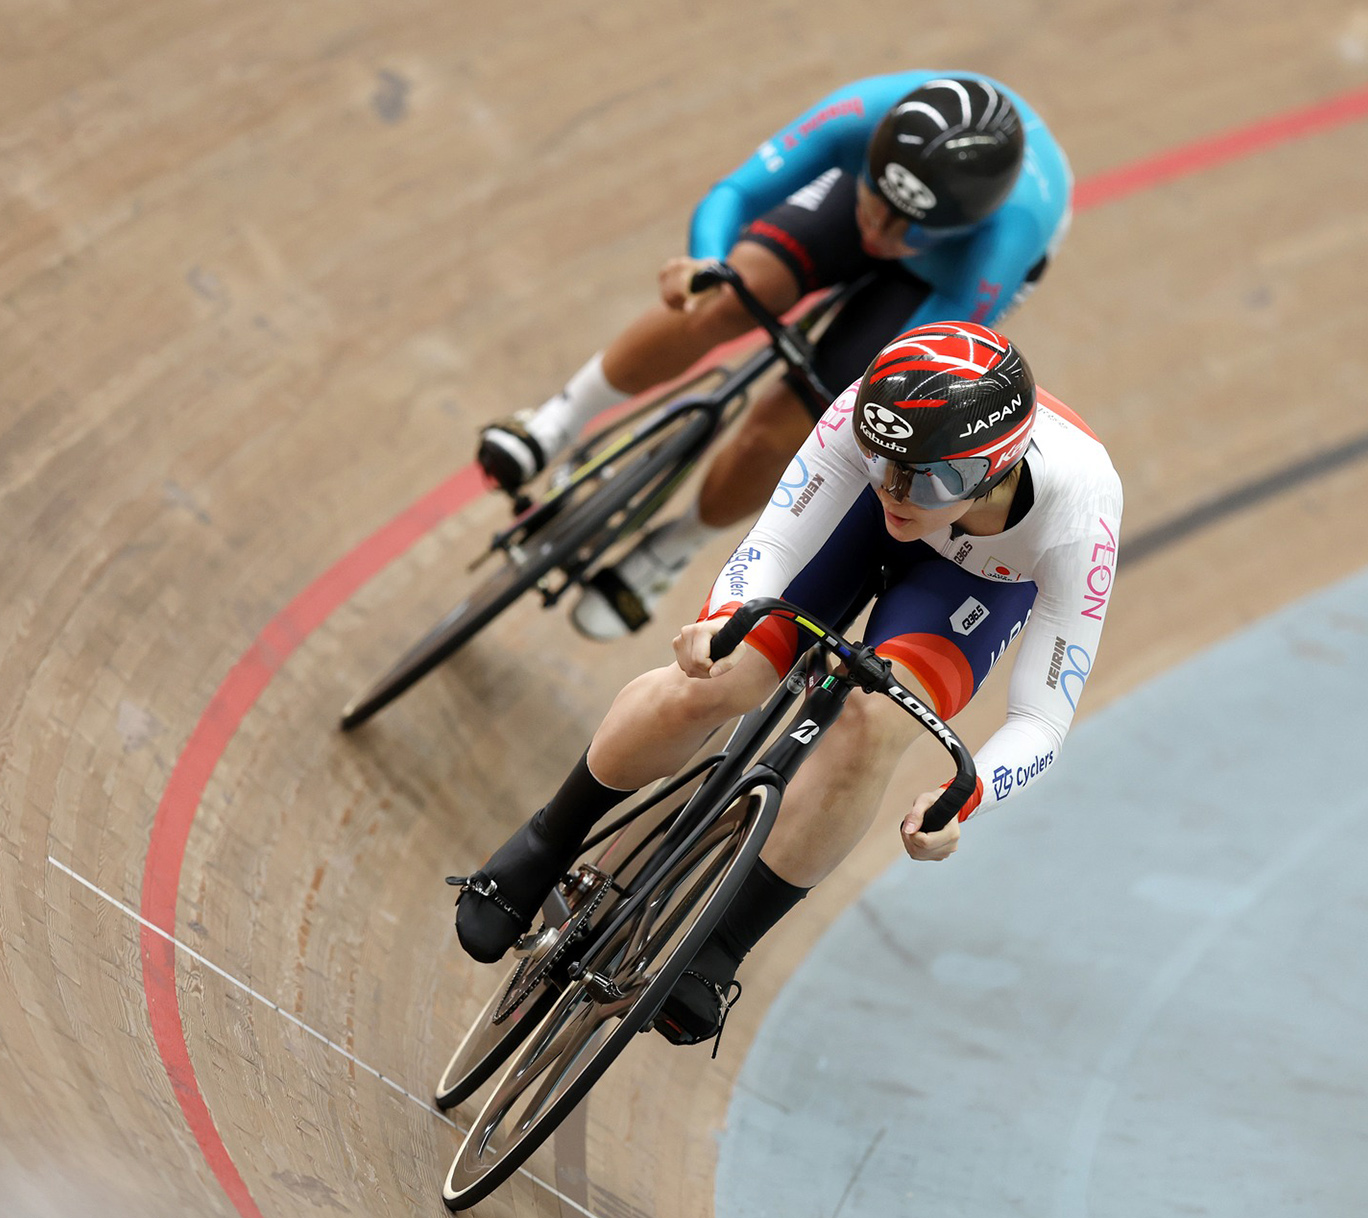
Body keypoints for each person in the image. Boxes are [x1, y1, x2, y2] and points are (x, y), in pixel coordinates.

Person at [453, 322, 1121, 1047]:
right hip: (848, 523)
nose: (899, 490)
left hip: (976, 587)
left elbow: (1043, 719)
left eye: (928, 479)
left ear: (995, 470)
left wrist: (971, 793)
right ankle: (549, 839)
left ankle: (719, 948)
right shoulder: (874, 424)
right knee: (723, 676)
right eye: (883, 460)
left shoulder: (1080, 516)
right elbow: (772, 546)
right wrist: (721, 624)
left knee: (875, 726)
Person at [476, 72, 1074, 639]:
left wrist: (846, 402)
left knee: (800, 421)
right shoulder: (861, 115)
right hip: (901, 205)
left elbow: (915, 369)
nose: (881, 234)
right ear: (870, 162)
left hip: (942, 283)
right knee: (723, 296)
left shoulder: (1008, 236)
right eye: (876, 202)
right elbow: (737, 191)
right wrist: (703, 263)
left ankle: (672, 546)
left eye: (906, 230)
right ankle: (554, 423)